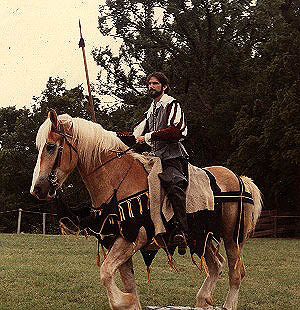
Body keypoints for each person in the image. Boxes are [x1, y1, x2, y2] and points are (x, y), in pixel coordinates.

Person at [118, 72, 189, 255]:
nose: (151, 86)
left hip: (172, 156)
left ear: (164, 86)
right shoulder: (150, 110)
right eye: (149, 84)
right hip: (154, 157)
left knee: (174, 184)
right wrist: (108, 136)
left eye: (155, 83)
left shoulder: (172, 104)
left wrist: (149, 136)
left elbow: (177, 130)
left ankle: (182, 231)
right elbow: (134, 135)